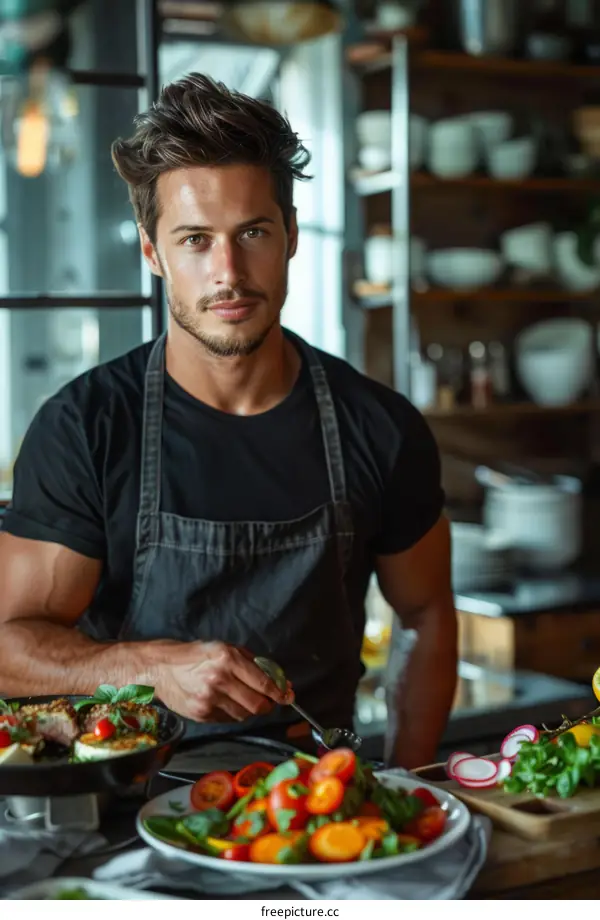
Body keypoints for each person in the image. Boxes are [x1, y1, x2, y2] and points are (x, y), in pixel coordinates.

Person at [0, 74, 456, 768]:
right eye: (194, 240)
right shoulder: (85, 427)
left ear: (291, 235)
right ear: (153, 253)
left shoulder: (381, 427)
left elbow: (426, 615)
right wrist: (153, 667)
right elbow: (9, 647)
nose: (229, 272)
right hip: (126, 807)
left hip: (316, 806)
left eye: (253, 232)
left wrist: (411, 781)